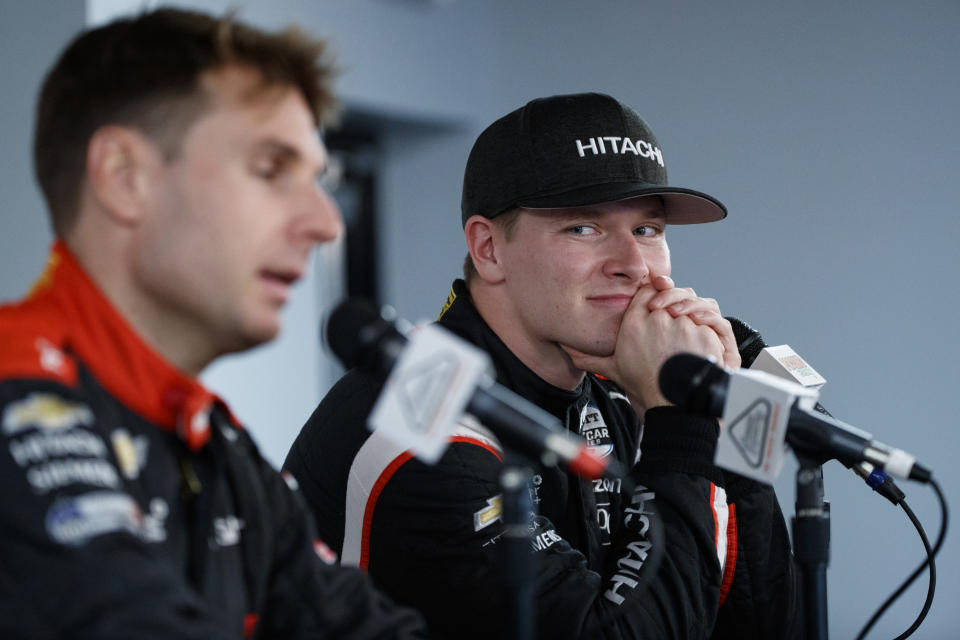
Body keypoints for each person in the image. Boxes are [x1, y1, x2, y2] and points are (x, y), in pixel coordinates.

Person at [285, 92, 802, 639]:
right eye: (584, 228)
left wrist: (720, 432)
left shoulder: (623, 387)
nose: (632, 265)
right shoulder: (419, 423)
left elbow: (766, 624)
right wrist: (682, 428)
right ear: (488, 249)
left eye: (647, 230)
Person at [0, 8, 428, 639]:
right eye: (270, 170)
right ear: (125, 179)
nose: (325, 223)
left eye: (316, 179)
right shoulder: (18, 399)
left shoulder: (212, 441)